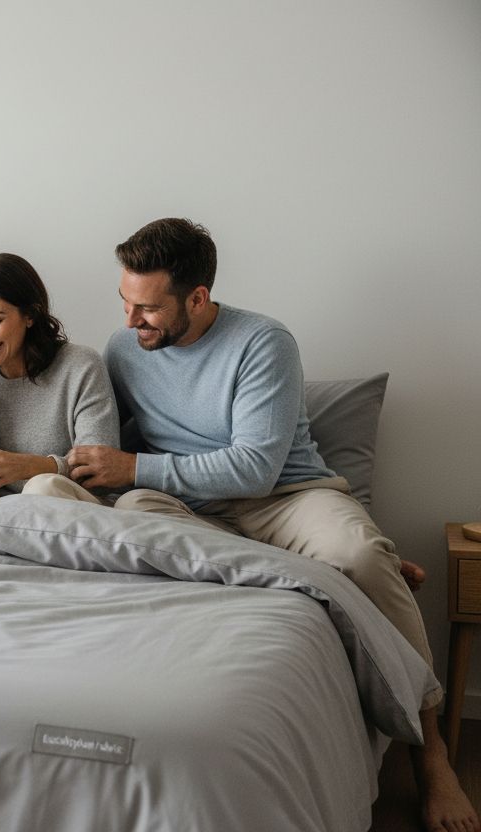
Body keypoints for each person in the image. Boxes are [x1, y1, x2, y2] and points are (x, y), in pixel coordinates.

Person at [66, 217, 477, 832]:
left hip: (287, 497)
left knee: (360, 556)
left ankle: (431, 753)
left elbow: (254, 470)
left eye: (147, 308)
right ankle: (325, 571)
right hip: (190, 511)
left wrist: (134, 466)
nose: (130, 321)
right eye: (125, 301)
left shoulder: (263, 342)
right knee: (132, 517)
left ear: (197, 298)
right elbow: (106, 438)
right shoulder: (125, 349)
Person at [0, 253, 119, 502]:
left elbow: (98, 471)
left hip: (68, 507)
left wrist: (33, 467)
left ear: (30, 315)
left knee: (43, 487)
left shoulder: (80, 366)